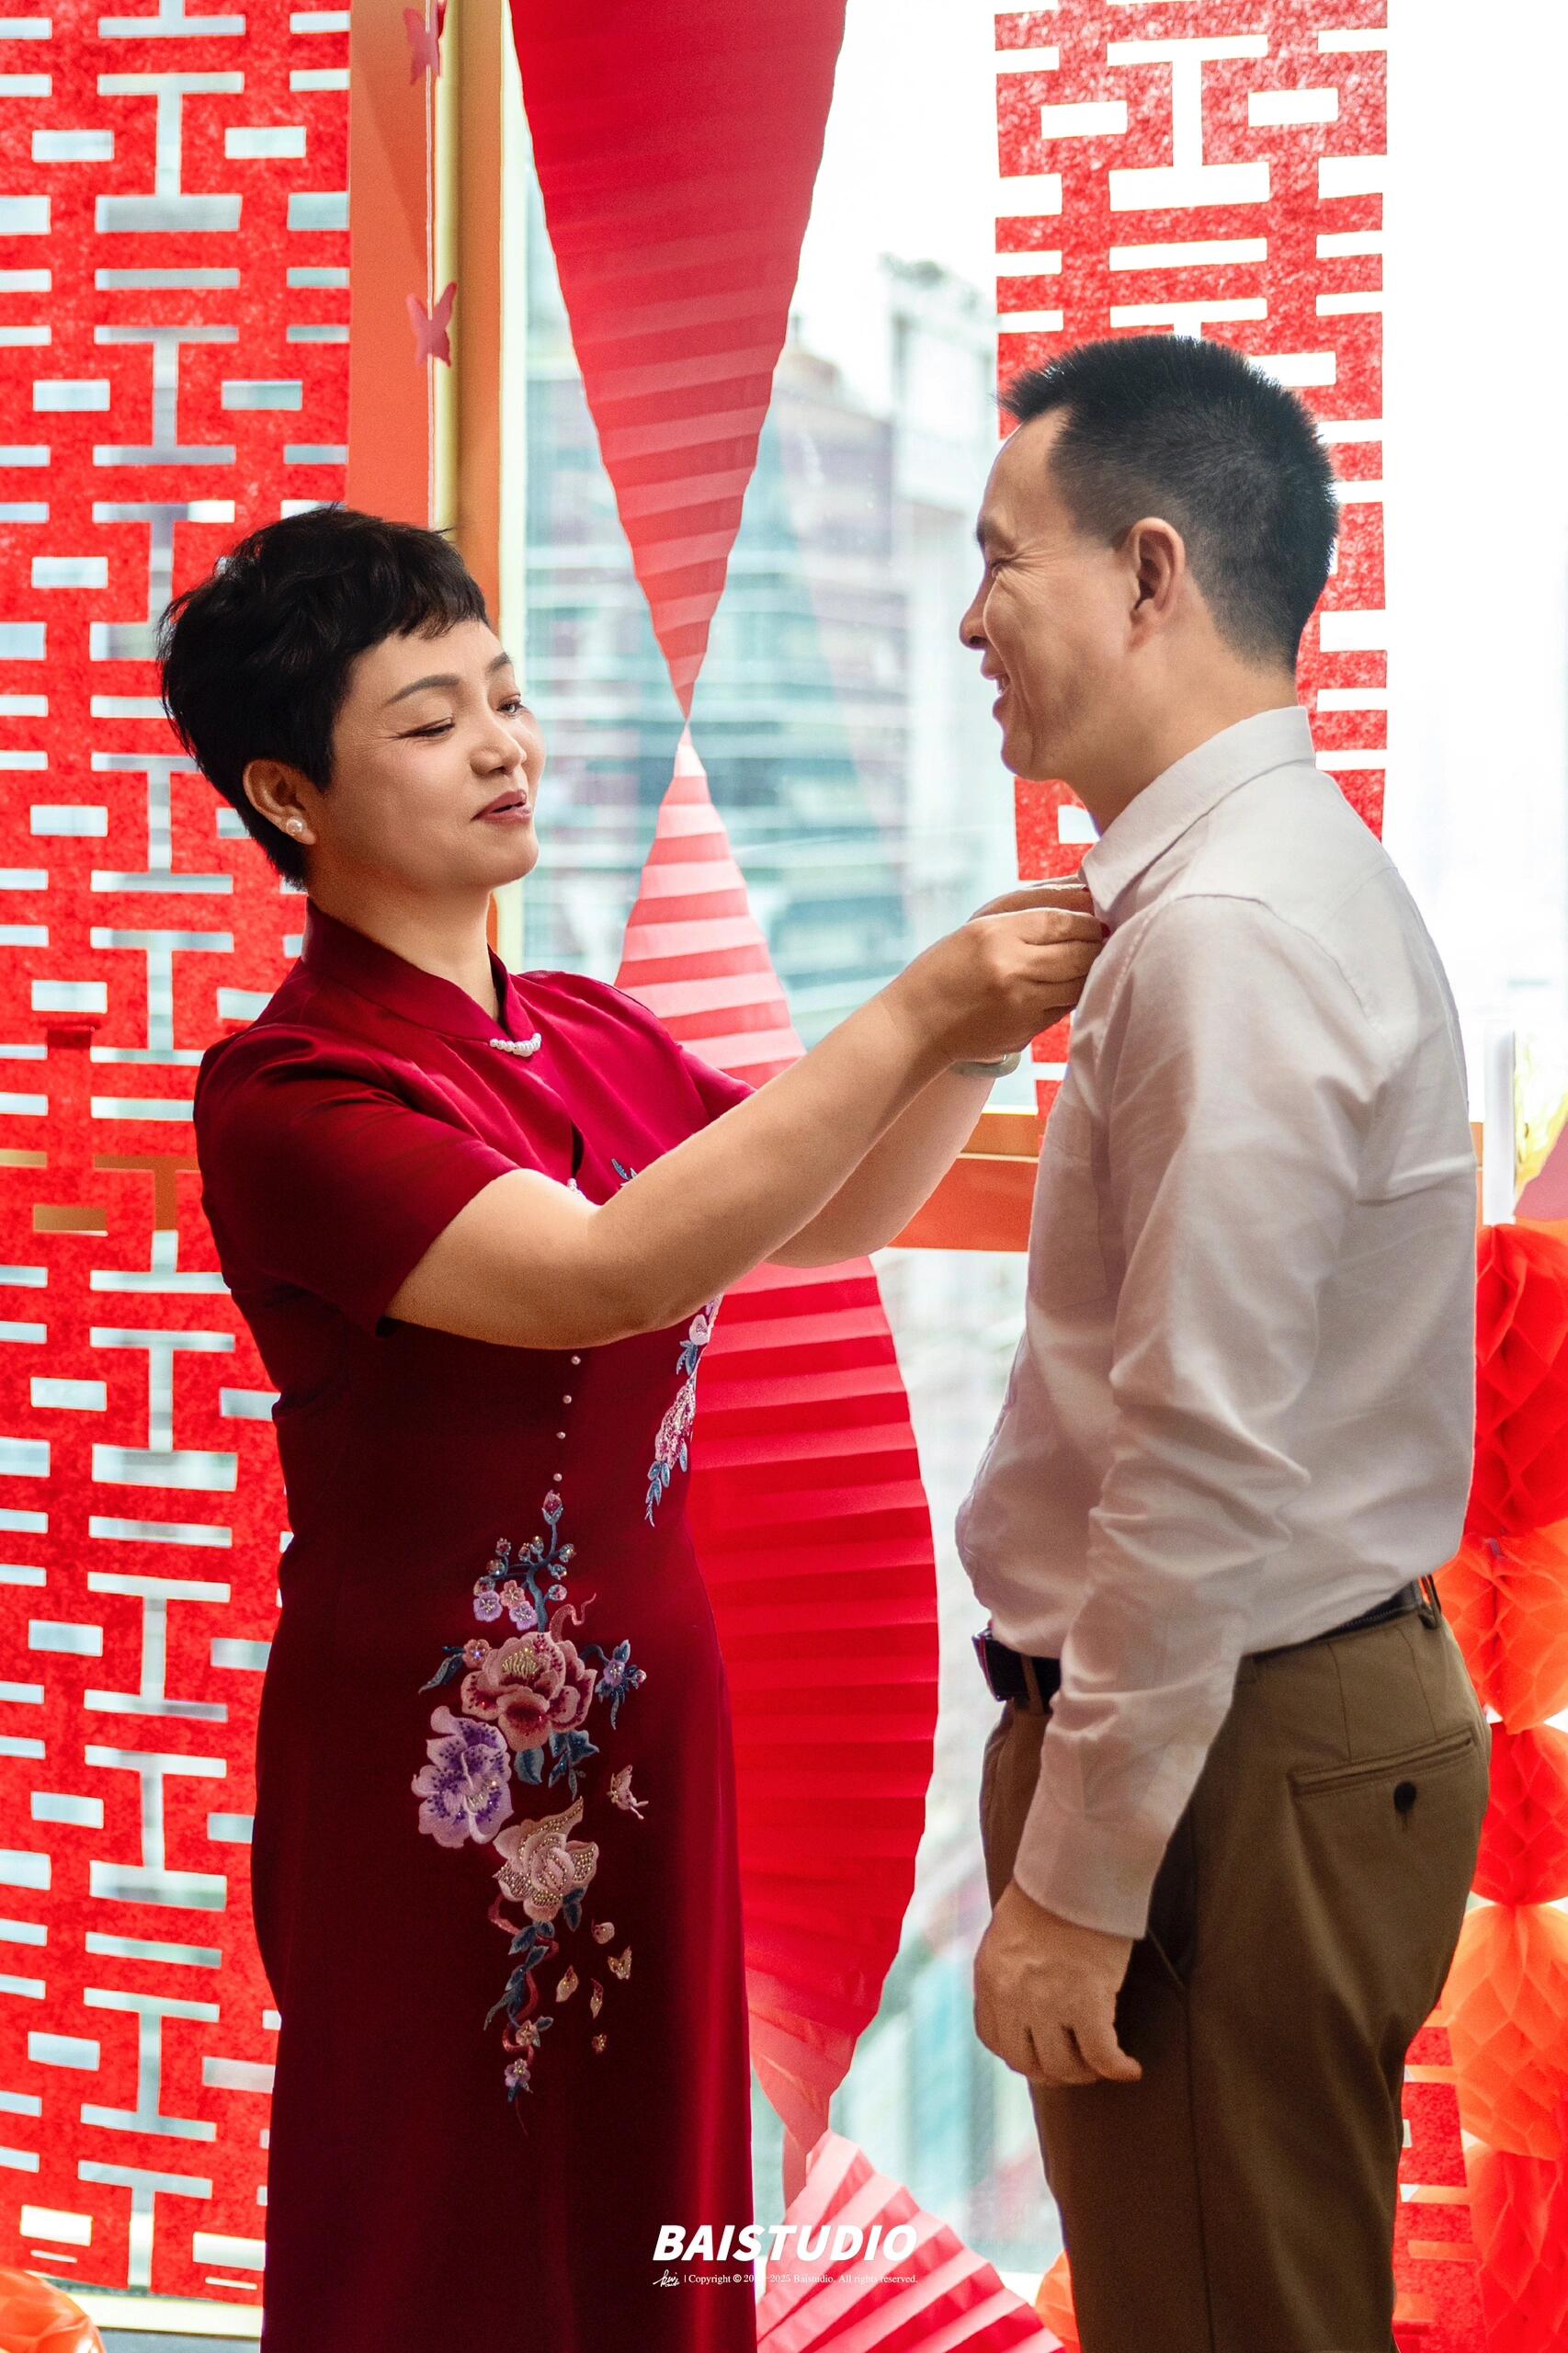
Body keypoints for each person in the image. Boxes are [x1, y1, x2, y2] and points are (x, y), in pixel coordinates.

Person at [158, 506, 1103, 2353]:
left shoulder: (585, 1028)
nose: (500, 744)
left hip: (651, 1723)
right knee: (436, 2223)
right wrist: (917, 999)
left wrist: (970, 1041)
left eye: (504, 697)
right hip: (428, 1769)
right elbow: (603, 1273)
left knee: (644, 2208)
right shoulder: (291, 1088)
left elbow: (830, 1213)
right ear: (287, 794)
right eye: (429, 719)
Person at [957, 335, 1488, 2353]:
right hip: (1259, 1725)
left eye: (1001, 559)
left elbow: (1194, 1452)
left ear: (1150, 572)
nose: (971, 620)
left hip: (1226, 1761)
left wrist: (1077, 1885)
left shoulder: (1223, 929)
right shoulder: (1251, 883)